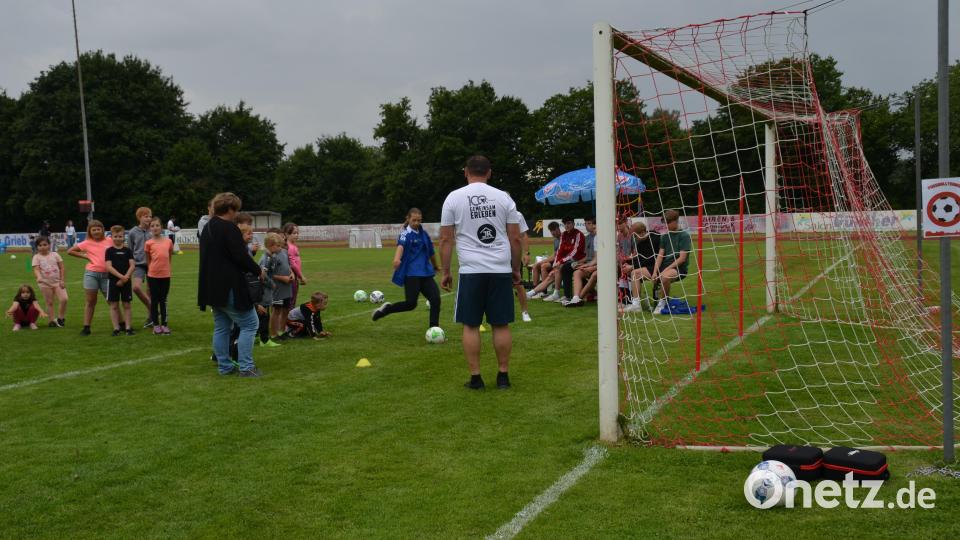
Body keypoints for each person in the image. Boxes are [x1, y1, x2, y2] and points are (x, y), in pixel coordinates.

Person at [439, 155, 522, 390]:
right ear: (489, 172)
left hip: (471, 270)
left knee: (471, 325)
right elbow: (515, 237)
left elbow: (446, 239)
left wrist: (446, 271)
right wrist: (515, 268)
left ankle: (476, 378)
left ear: (466, 172)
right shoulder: (504, 198)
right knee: (501, 324)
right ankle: (503, 376)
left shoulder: (453, 198)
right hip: (500, 269)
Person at [199, 192, 266, 377]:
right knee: (251, 324)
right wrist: (258, 270)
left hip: (212, 286)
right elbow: (241, 256)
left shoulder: (208, 227)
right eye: (235, 209)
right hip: (229, 285)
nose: (237, 213)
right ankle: (246, 367)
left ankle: (225, 367)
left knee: (221, 327)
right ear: (230, 209)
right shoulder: (228, 228)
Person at [372, 208, 443, 329]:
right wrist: (397, 259)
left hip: (426, 273)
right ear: (408, 219)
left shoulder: (424, 234)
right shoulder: (405, 234)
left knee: (435, 299)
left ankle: (434, 328)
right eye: (414, 220)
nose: (416, 223)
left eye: (419, 220)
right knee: (411, 304)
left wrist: (435, 265)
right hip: (411, 274)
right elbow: (401, 246)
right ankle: (387, 309)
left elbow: (431, 252)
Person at [67, 220, 111, 335]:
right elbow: (70, 251)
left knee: (112, 301)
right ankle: (86, 327)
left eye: (98, 229)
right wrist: (85, 256)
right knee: (91, 301)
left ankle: (121, 324)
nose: (96, 231)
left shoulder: (110, 241)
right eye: (94, 230)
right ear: (90, 231)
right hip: (91, 274)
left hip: (107, 275)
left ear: (102, 230)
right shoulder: (86, 243)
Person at [526, 216, 584, 303]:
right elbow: (559, 251)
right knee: (552, 273)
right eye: (565, 224)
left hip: (576, 261)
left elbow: (574, 252)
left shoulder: (578, 234)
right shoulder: (564, 235)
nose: (567, 225)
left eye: (569, 223)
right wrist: (556, 263)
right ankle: (531, 293)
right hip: (566, 262)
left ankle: (557, 294)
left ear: (573, 224)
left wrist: (560, 262)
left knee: (556, 270)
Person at [651, 210, 691, 314]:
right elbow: (660, 256)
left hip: (678, 268)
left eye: (668, 222)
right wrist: (655, 272)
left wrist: (665, 270)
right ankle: (635, 303)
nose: (666, 225)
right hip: (665, 266)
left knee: (665, 276)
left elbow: (682, 258)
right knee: (636, 273)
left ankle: (663, 302)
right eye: (665, 223)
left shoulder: (684, 236)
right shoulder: (664, 236)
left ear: (676, 221)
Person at [104, 226, 136, 336]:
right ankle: (116, 328)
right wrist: (120, 277)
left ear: (124, 237)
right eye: (115, 236)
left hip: (126, 281)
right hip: (113, 281)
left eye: (120, 236)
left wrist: (125, 277)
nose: (118, 238)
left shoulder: (128, 251)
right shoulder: (109, 251)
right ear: (111, 237)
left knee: (127, 305)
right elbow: (108, 266)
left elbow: (132, 265)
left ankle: (128, 328)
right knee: (114, 305)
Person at [623, 221, 661, 312]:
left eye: (635, 236)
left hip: (657, 267)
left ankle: (636, 305)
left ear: (643, 232)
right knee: (623, 270)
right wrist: (628, 262)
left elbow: (650, 259)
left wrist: (632, 267)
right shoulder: (639, 242)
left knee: (634, 273)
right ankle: (627, 300)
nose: (634, 238)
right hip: (648, 266)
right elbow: (640, 258)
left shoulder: (656, 239)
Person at [146, 217, 174, 334]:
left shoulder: (168, 241)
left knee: (163, 300)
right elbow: (148, 260)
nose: (155, 228)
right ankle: (156, 325)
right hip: (153, 275)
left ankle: (164, 324)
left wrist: (166, 269)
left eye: (157, 225)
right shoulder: (148, 243)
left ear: (161, 227)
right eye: (152, 226)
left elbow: (169, 256)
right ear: (150, 229)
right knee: (154, 300)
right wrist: (150, 272)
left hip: (165, 275)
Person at [32, 236, 68, 327]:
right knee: (49, 302)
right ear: (37, 247)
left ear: (49, 245)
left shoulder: (55, 255)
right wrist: (39, 277)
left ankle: (60, 318)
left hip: (57, 282)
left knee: (64, 299)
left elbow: (62, 268)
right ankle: (51, 320)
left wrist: (62, 280)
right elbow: (36, 269)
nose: (43, 247)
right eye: (40, 245)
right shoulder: (36, 257)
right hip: (45, 284)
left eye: (45, 244)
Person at [563, 216, 598, 308]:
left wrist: (586, 265)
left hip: (599, 265)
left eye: (589, 223)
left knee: (575, 271)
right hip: (590, 263)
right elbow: (587, 256)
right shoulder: (588, 238)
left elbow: (598, 258)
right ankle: (572, 297)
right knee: (567, 267)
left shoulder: (599, 237)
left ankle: (577, 298)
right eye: (585, 223)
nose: (587, 226)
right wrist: (578, 263)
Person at [127, 207, 153, 327]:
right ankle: (153, 309)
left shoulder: (153, 230)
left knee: (150, 291)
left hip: (153, 264)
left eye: (150, 216)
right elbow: (130, 250)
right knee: (136, 288)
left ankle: (150, 318)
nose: (148, 218)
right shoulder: (133, 232)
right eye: (146, 216)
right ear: (139, 217)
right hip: (138, 265)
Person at [269, 233, 294, 340]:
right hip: (278, 289)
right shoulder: (271, 257)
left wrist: (292, 273)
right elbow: (269, 274)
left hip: (287, 288)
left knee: (286, 309)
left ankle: (281, 331)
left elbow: (288, 266)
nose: (280, 247)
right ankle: (273, 334)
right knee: (276, 311)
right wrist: (282, 278)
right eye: (277, 245)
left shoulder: (284, 252)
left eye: (280, 244)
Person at [530, 221, 561, 289]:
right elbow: (555, 254)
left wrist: (543, 261)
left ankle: (544, 291)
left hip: (560, 262)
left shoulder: (563, 239)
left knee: (543, 265)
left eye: (554, 230)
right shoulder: (555, 240)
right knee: (535, 266)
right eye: (551, 231)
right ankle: (535, 289)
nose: (552, 233)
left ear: (558, 229)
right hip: (555, 261)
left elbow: (556, 256)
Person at [283, 222, 306, 307]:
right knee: (291, 302)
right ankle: (289, 319)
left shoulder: (292, 246)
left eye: (297, 233)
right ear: (286, 234)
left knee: (291, 301)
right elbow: (293, 264)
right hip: (292, 277)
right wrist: (301, 276)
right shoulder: (290, 247)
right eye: (294, 233)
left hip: (294, 277)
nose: (296, 235)